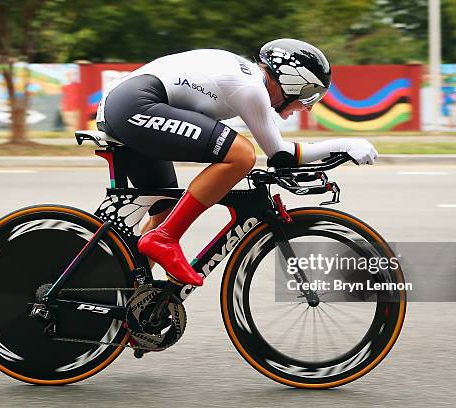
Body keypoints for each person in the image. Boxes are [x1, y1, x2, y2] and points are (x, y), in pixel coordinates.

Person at [96, 38, 378, 287]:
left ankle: (126, 298)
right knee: (241, 155)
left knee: (164, 209)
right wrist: (344, 145)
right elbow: (280, 155)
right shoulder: (251, 88)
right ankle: (165, 239)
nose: (309, 106)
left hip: (128, 103)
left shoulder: (246, 78)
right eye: (309, 95)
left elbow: (280, 155)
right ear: (294, 81)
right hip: (135, 104)